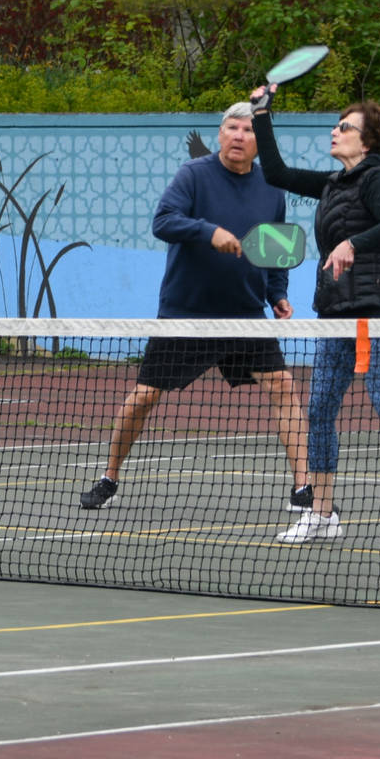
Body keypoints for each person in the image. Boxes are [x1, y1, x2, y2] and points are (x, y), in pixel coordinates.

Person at [80, 102, 309, 512]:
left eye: (248, 130)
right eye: (231, 127)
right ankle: (109, 476)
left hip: (245, 316)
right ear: (220, 134)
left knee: (283, 386)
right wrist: (208, 232)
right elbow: (163, 221)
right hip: (186, 313)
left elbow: (275, 249)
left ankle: (303, 489)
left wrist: (277, 294)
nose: (238, 135)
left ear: (261, 143)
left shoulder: (272, 187)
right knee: (146, 396)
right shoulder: (193, 175)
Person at [250, 89, 380, 550]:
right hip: (335, 310)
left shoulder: (378, 176)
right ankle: (322, 514)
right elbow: (276, 172)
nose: (335, 131)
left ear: (368, 141)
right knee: (319, 409)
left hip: (376, 309)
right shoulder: (331, 184)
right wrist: (262, 113)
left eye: (345, 127)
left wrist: (352, 244)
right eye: (336, 125)